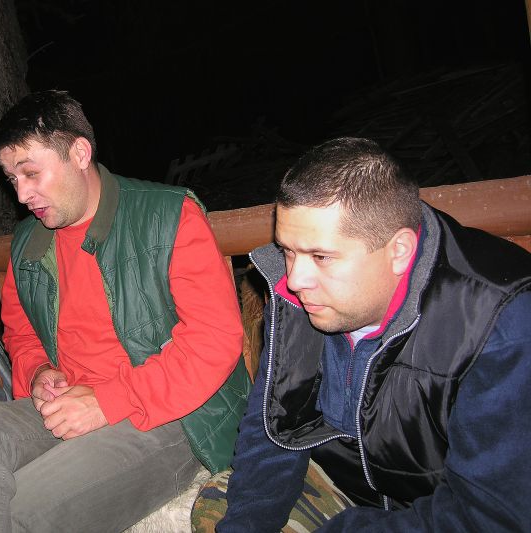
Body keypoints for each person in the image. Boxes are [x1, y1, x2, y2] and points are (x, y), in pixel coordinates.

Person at [0, 89, 251, 532]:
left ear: (80, 154)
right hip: (67, 403)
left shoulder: (168, 216)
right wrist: (38, 371)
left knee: (21, 509)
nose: (22, 194)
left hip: (173, 414)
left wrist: (108, 402)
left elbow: (213, 341)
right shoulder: (28, 243)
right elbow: (21, 334)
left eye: (31, 173)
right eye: (12, 179)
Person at [217, 137, 531, 531]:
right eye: (288, 251)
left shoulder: (502, 323)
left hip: (445, 508)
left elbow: (490, 516)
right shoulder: (299, 296)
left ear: (399, 251)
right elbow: (272, 431)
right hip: (349, 489)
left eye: (321, 256)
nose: (294, 280)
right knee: (217, 502)